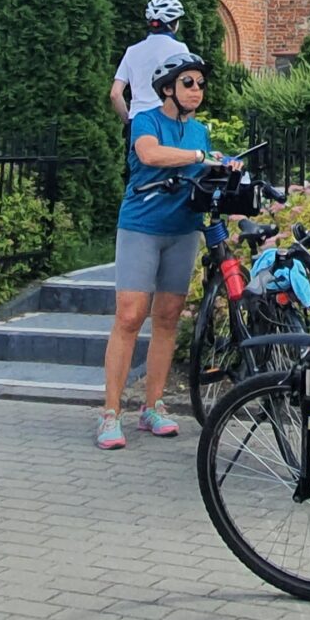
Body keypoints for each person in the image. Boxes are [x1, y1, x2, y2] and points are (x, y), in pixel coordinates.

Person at [97, 49, 227, 450]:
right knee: (130, 316)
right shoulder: (146, 120)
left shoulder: (199, 131)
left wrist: (225, 166)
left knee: (168, 318)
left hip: (183, 230)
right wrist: (200, 157)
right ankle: (110, 412)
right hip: (142, 228)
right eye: (188, 83)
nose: (197, 90)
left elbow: (205, 171)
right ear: (167, 89)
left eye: (201, 84)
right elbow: (149, 154)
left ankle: (153, 406)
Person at [110, 0, 190, 122]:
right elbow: (187, 89)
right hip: (167, 119)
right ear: (173, 24)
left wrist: (128, 121)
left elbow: (115, 94)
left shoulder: (132, 51)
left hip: (138, 119)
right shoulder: (180, 49)